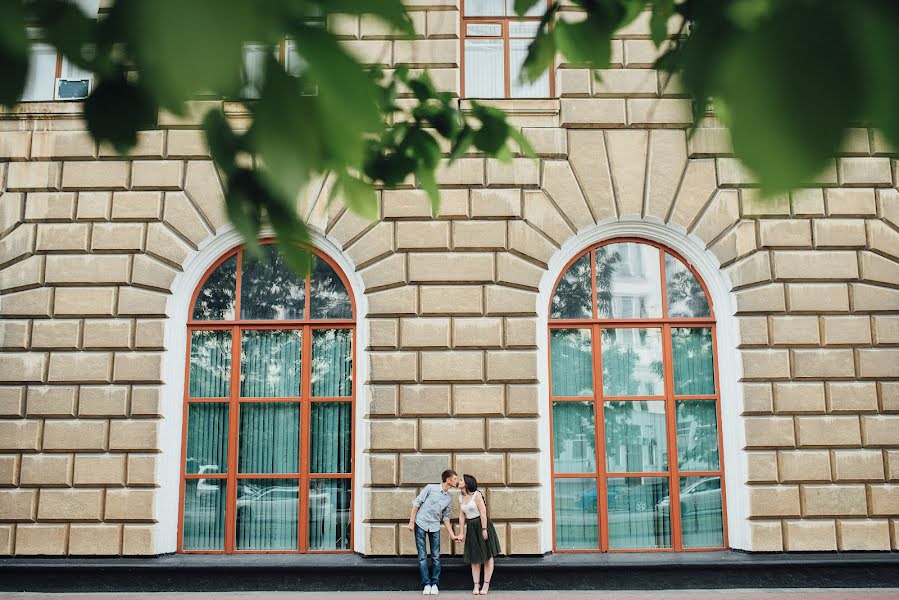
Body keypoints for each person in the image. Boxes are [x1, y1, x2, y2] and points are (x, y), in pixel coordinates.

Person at [408, 469, 459, 595]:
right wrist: (411, 522)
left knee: (436, 556)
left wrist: (452, 535)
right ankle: (426, 584)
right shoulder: (430, 488)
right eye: (455, 478)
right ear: (448, 480)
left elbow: (445, 518)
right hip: (421, 523)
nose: (457, 481)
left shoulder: (449, 497)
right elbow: (417, 503)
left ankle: (435, 583)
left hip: (435, 526)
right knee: (422, 556)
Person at [457, 474, 501, 595]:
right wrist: (461, 532)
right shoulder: (460, 497)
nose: (459, 481)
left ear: (467, 483)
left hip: (482, 525)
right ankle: (476, 585)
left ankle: (486, 584)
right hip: (471, 527)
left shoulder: (476, 494)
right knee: (474, 557)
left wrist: (484, 529)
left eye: (461, 480)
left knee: (487, 556)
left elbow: (483, 512)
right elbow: (461, 516)